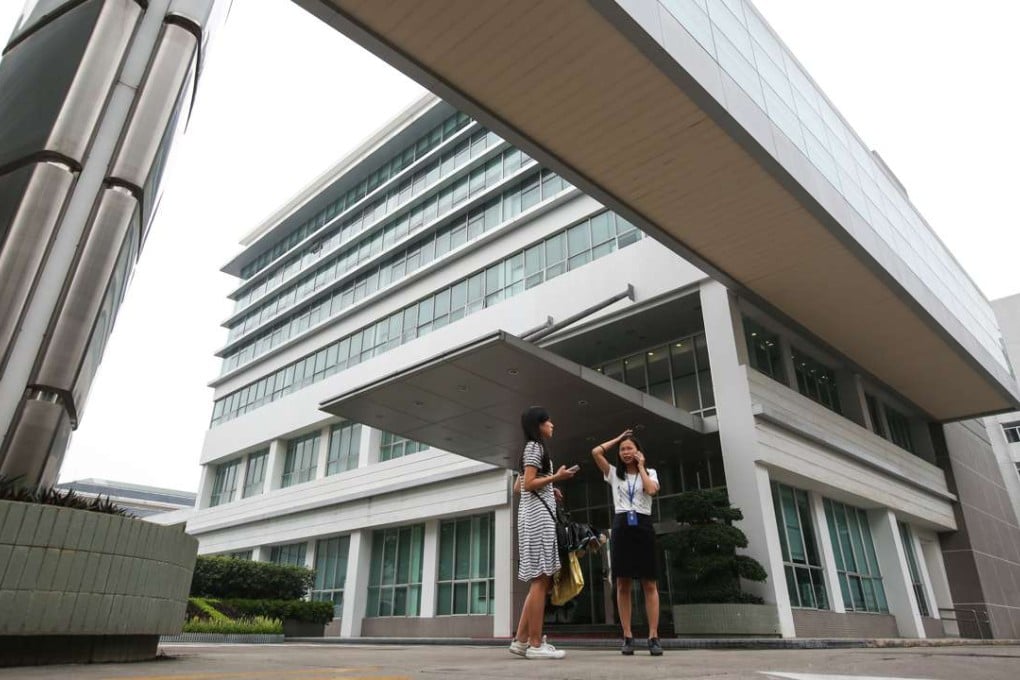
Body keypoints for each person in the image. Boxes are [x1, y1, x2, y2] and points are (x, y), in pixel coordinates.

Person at [509, 406, 577, 660]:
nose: (552, 424)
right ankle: (536, 644)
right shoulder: (535, 448)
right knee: (541, 579)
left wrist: (550, 486)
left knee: (539, 580)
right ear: (539, 425)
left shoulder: (530, 449)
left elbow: (519, 485)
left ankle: (521, 640)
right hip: (538, 518)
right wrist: (556, 477)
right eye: (548, 421)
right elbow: (527, 484)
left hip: (532, 515)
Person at [591, 429, 663, 656]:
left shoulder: (650, 472)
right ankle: (628, 635)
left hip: (643, 525)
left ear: (638, 451)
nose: (626, 452)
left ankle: (653, 636)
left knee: (649, 583)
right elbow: (595, 452)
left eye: (630, 448)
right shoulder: (613, 474)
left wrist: (641, 467)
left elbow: (651, 490)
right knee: (622, 583)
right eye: (623, 449)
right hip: (622, 525)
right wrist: (619, 437)